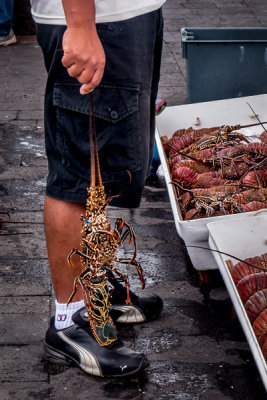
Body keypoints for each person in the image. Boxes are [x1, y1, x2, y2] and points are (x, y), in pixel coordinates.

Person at [30, 0, 165, 378]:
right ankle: (69, 321)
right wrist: (80, 22)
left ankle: (97, 290)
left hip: (125, 14)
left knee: (100, 171)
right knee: (77, 174)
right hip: (94, 20)